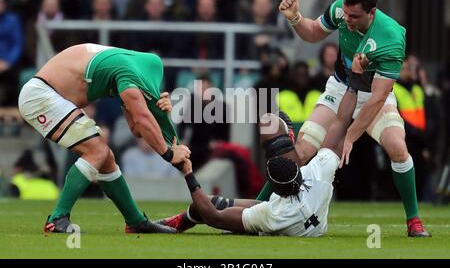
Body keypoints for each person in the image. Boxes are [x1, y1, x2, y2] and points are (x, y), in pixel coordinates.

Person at [256, 0, 430, 237]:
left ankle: (414, 220)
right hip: (340, 89)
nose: (346, 19)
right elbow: (314, 32)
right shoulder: (341, 10)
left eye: (354, 16)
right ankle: (257, 207)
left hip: (373, 96)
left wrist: (350, 136)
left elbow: (378, 98)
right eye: (346, 13)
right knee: (302, 150)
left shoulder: (390, 37)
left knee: (398, 149)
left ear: (372, 12)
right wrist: (295, 18)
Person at [18, 43, 191, 234]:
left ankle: (136, 221)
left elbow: (135, 128)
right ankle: (58, 218)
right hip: (41, 96)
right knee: (97, 151)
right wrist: (168, 154)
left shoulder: (128, 66)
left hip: (46, 95)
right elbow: (142, 120)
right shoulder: (128, 75)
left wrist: (159, 111)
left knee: (106, 158)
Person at [157, 88, 357, 236]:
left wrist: (188, 172)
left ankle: (179, 223)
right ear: (299, 171)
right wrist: (356, 86)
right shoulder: (318, 173)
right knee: (214, 204)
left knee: (209, 205)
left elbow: (212, 217)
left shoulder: (272, 213)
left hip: (281, 220)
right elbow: (342, 121)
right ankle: (287, 139)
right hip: (304, 214)